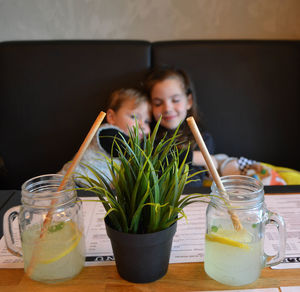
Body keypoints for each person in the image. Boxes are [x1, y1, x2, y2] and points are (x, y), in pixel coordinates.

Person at [59, 88, 151, 186]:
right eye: (134, 117)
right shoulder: (108, 133)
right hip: (72, 183)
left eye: (147, 121)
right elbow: (132, 150)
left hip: (94, 193)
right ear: (111, 117)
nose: (142, 125)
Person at [143, 67, 217, 187]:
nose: (167, 108)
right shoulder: (148, 134)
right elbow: (149, 157)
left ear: (189, 101)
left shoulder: (202, 138)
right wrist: (194, 157)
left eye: (175, 100)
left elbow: (200, 176)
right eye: (158, 103)